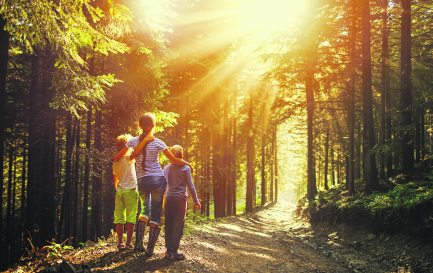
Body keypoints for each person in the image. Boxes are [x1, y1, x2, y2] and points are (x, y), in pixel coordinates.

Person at [113, 113, 191, 256]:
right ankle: (149, 250)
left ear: (139, 126)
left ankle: (138, 245)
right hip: (157, 180)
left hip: (142, 181)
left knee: (144, 210)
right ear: (154, 126)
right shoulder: (158, 142)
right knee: (155, 213)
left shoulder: (133, 141)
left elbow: (122, 157)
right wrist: (187, 163)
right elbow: (174, 160)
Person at [163, 145, 201, 261]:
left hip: (168, 198)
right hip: (180, 199)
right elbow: (191, 186)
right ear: (181, 156)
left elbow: (162, 185)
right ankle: (174, 252)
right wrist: (196, 201)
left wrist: (160, 200)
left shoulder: (166, 168)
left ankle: (168, 252)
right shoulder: (186, 168)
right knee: (178, 224)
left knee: (168, 224)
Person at [112, 134, 138, 251]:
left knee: (119, 217)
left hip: (119, 191)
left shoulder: (115, 163)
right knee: (131, 217)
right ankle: (128, 243)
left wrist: (118, 189)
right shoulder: (129, 159)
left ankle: (119, 243)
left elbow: (115, 180)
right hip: (131, 189)